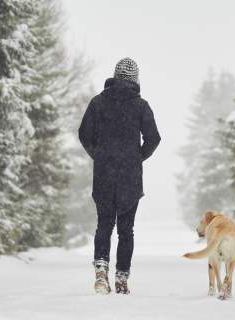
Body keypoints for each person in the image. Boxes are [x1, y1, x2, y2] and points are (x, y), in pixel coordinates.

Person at [78, 57, 161, 295]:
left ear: (114, 76)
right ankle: (122, 279)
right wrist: (136, 158)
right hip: (130, 177)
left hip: (103, 174)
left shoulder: (98, 102)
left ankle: (101, 273)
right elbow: (154, 138)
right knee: (126, 229)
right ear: (135, 79)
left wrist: (100, 155)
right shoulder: (141, 105)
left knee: (104, 224)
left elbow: (84, 134)